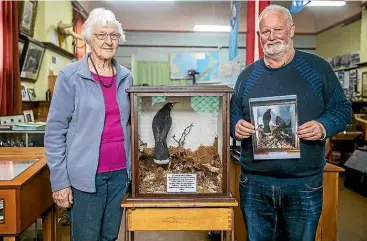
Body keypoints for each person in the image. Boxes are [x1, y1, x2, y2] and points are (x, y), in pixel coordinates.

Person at [230, 5, 351, 241]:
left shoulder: (318, 69)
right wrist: (236, 126)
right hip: (255, 184)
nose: (272, 36)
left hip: (303, 185)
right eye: (265, 31)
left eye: (278, 29)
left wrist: (323, 126)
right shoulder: (246, 76)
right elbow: (234, 114)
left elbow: (342, 109)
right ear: (259, 36)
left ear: (292, 30)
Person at [45, 8, 132, 241]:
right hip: (85, 176)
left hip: (120, 175)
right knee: (86, 237)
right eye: (101, 35)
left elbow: (130, 123)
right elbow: (54, 132)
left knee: (110, 236)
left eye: (113, 35)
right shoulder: (70, 76)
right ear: (89, 39)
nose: (108, 41)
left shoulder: (126, 76)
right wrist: (59, 182)